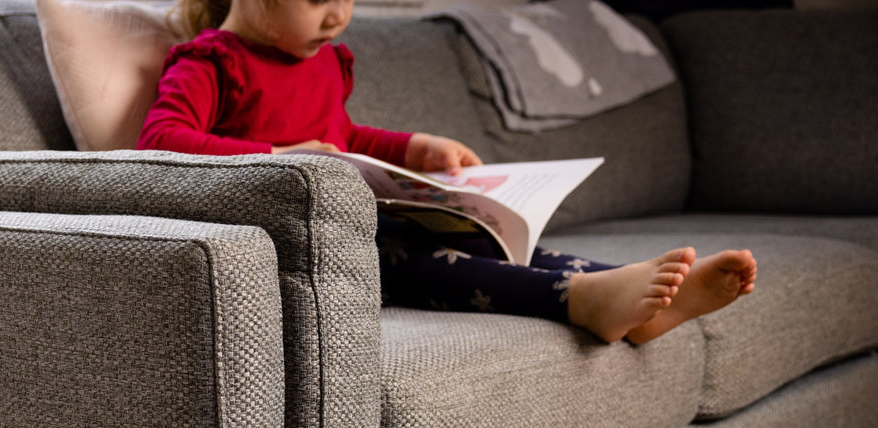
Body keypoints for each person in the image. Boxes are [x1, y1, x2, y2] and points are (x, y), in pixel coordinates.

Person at [137, 0, 757, 344]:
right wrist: (279, 157)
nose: (336, 16)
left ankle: (631, 295)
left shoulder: (324, 61)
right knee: (421, 263)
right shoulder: (211, 62)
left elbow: (346, 138)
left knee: (486, 235)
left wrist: (418, 149)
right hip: (301, 243)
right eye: (315, 0)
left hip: (364, 216)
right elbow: (159, 139)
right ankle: (577, 301)